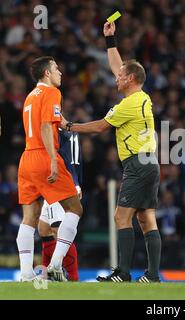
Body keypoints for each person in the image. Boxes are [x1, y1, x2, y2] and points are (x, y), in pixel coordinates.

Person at [61, 21, 161, 283]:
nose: (115, 77)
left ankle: (123, 272)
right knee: (146, 218)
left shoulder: (128, 105)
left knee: (121, 216)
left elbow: (99, 127)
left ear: (130, 80)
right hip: (149, 163)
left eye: (120, 76)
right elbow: (120, 67)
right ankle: (152, 275)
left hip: (137, 164)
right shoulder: (142, 97)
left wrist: (69, 125)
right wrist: (110, 40)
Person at [17, 56, 83, 282]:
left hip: (26, 158)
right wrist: (54, 160)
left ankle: (26, 274)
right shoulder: (53, 92)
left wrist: (64, 123)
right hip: (45, 156)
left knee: (29, 218)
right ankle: (56, 264)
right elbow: (46, 125)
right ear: (47, 73)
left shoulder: (30, 96)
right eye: (56, 68)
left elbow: (48, 121)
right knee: (75, 208)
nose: (60, 72)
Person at [38, 129, 83, 281]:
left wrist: (75, 183)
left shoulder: (62, 133)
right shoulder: (55, 130)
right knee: (44, 229)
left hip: (59, 183)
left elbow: (72, 161)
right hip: (49, 181)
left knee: (58, 230)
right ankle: (47, 275)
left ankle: (73, 277)